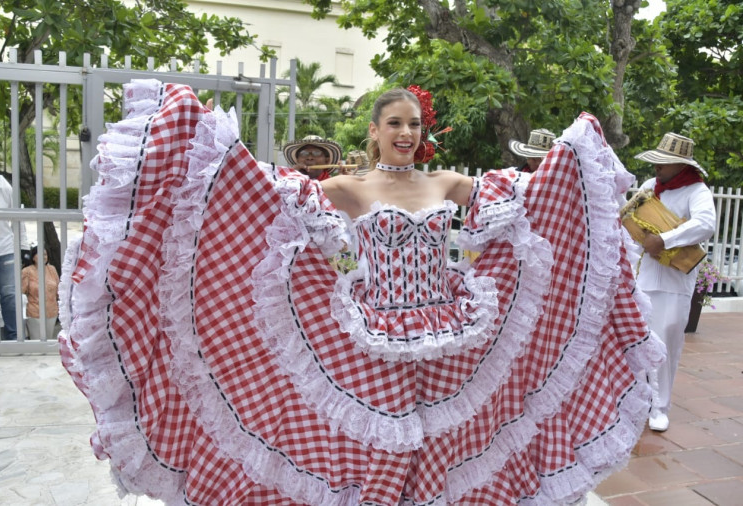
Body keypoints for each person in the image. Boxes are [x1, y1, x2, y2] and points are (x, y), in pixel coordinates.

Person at [58, 81, 664, 505]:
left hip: (450, 333)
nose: (405, 133)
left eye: (414, 124)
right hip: (373, 335)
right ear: (375, 131)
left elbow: (517, 207)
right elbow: (282, 208)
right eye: (394, 123)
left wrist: (560, 169)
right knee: (384, 437)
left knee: (442, 439)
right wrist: (345, 272)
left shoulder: (447, 181)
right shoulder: (348, 187)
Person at [633, 132, 716, 432]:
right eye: (658, 162)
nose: (658, 168)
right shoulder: (648, 188)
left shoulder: (697, 191)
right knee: (636, 342)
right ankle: (636, 401)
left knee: (665, 343)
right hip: (642, 277)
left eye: (665, 163)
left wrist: (665, 239)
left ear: (681, 165)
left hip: (674, 281)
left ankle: (660, 407)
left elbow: (706, 224)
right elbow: (631, 225)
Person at [0, 150, 28, 341]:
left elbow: (17, 218)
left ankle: (15, 339)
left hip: (5, 250)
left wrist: (23, 247)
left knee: (9, 296)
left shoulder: (4, 186)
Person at [21, 245, 59, 340]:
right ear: (33, 257)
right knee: (37, 343)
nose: (43, 256)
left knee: (49, 340)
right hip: (35, 313)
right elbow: (22, 291)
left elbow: (59, 289)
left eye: (45, 254)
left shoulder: (52, 269)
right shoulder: (27, 271)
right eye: (40, 254)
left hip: (52, 312)